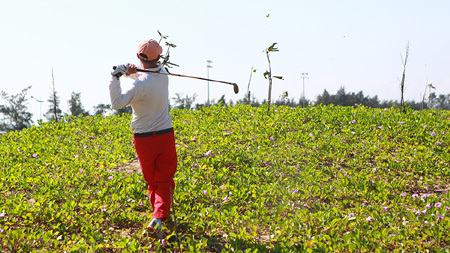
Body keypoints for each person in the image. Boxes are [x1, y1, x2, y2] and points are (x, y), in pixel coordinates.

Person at [109, 39, 177, 239]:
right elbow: (146, 73)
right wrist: (131, 71)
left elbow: (116, 103)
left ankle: (158, 216)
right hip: (165, 135)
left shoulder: (139, 85)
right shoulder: (163, 73)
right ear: (159, 58)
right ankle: (159, 217)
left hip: (144, 139)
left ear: (139, 57)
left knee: (152, 182)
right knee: (164, 181)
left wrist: (115, 77)